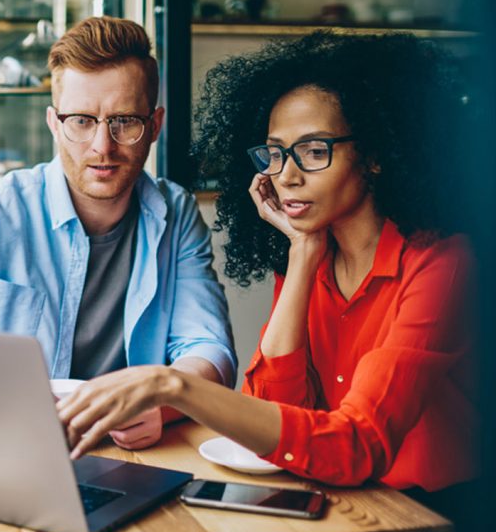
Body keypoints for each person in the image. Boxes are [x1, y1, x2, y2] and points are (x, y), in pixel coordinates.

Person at [57, 32, 478, 505]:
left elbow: (358, 444)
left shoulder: (444, 266)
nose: (287, 175)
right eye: (276, 153)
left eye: (315, 151)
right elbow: (276, 416)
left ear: (376, 155)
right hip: (341, 499)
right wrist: (300, 258)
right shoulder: (310, 258)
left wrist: (170, 385)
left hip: (435, 514)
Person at [0, 16, 237, 451]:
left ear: (154, 126)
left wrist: (162, 405)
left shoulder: (177, 213)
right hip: (8, 443)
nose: (102, 145)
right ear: (54, 123)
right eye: (81, 121)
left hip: (134, 455)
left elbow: (210, 349)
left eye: (125, 121)